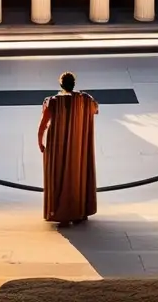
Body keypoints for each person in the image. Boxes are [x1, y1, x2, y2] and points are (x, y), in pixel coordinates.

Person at [37, 71, 98, 226]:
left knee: (58, 176)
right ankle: (79, 211)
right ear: (74, 84)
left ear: (61, 84)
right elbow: (95, 110)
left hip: (57, 146)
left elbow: (43, 125)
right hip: (78, 145)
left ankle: (61, 212)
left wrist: (40, 142)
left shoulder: (53, 102)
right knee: (77, 174)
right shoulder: (85, 100)